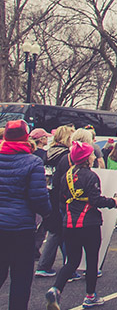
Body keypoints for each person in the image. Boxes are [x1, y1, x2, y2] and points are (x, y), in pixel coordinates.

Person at [46, 140, 117, 310]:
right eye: (92, 154)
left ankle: (56, 289)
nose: (94, 156)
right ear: (87, 158)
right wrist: (113, 202)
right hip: (89, 224)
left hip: (69, 223)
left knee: (72, 261)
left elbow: (62, 198)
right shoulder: (91, 176)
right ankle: (90, 296)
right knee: (92, 260)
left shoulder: (66, 175)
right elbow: (95, 200)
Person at [0, 120, 51, 310]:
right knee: (21, 279)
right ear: (25, 137)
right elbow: (38, 196)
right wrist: (47, 213)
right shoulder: (33, 162)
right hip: (21, 228)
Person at [35, 126, 74, 278]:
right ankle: (67, 267)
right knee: (62, 231)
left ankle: (45, 265)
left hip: (49, 193)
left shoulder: (48, 153)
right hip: (60, 197)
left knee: (55, 231)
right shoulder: (65, 155)